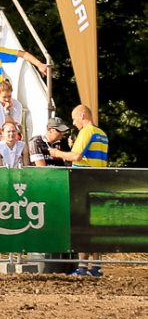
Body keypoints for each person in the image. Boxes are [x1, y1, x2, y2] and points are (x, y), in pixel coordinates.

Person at [51, 104, 109, 277]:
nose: (74, 123)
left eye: (75, 118)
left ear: (83, 115)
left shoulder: (87, 132)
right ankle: (96, 266)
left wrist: (57, 153)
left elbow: (76, 156)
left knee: (81, 225)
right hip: (98, 182)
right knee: (94, 226)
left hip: (83, 181)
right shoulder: (103, 134)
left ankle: (83, 267)